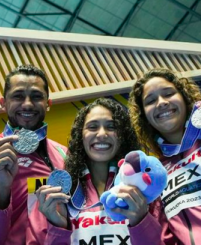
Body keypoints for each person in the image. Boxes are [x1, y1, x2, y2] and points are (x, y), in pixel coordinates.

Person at [128, 68, 201, 244]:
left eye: (168, 94)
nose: (161, 102)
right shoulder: (157, 174)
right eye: (151, 101)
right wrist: (138, 220)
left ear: (185, 99)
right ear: (144, 116)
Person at [27, 98, 162, 244]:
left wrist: (141, 220)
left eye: (111, 127)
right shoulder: (57, 195)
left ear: (123, 135)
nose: (102, 134)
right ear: (80, 136)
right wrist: (59, 228)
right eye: (92, 127)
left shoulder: (145, 190)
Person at [0, 64, 67, 245]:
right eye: (18, 96)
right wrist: (0, 190)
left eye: (36, 96)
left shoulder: (65, 155)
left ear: (48, 104)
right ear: (3, 103)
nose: (27, 104)